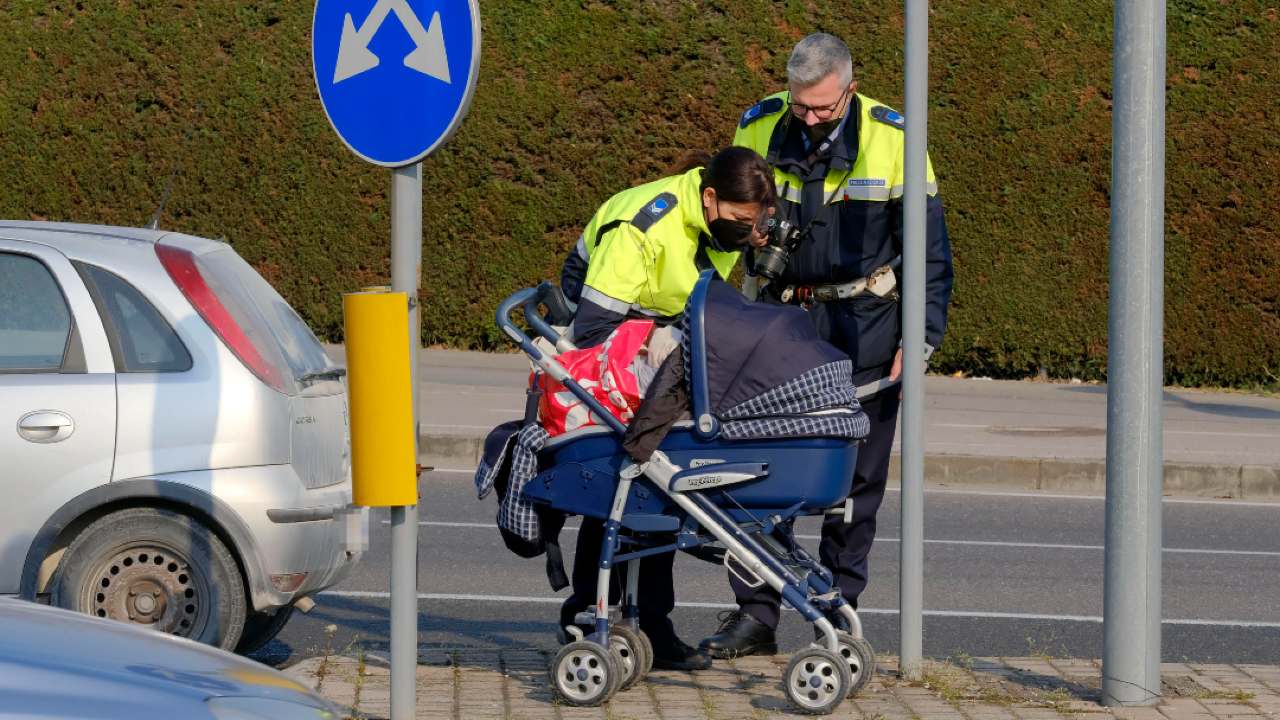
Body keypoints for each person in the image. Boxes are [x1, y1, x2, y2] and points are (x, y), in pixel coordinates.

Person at [698, 33, 954, 658]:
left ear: (850, 87)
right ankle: (755, 615)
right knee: (756, 475)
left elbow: (929, 250)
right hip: (776, 323)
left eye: (822, 108)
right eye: (800, 105)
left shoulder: (895, 139)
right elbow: (721, 222)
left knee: (854, 487)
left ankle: (836, 615)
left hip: (864, 323)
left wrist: (919, 338)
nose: (808, 119)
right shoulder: (760, 124)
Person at [557, 146, 777, 670]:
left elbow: (701, 294)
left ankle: (649, 621)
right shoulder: (643, 225)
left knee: (655, 485)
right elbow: (592, 325)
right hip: (604, 355)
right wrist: (662, 336)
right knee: (622, 483)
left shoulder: (714, 223)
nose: (746, 232)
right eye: (741, 221)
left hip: (658, 348)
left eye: (755, 223)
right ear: (709, 198)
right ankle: (592, 614)